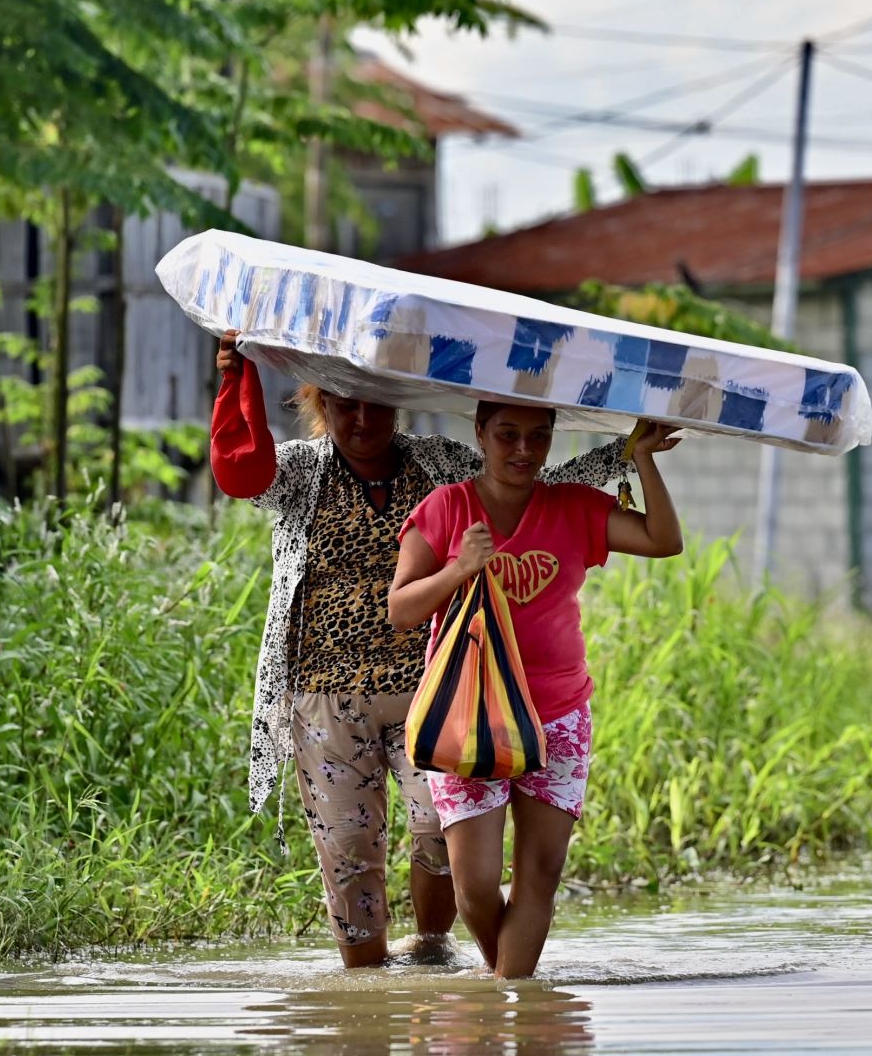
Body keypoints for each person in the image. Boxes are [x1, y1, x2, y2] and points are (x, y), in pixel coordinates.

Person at [209, 331, 630, 968]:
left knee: (439, 830)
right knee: (349, 849)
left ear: (396, 406)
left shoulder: (434, 463)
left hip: (436, 688)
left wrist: (627, 451)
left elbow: (524, 478)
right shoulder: (300, 471)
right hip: (324, 694)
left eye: (375, 405)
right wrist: (235, 377)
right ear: (321, 405)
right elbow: (243, 473)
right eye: (344, 405)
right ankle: (368, 987)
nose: (361, 419)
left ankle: (434, 951)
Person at [388, 401, 683, 978]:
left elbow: (662, 540)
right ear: (479, 433)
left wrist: (642, 458)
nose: (523, 450)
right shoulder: (447, 508)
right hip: (468, 719)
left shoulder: (572, 506)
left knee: (538, 879)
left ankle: (510, 1003)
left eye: (538, 437)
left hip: (559, 718)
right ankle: (513, 995)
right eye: (507, 435)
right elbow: (400, 608)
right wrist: (458, 569)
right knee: (474, 887)